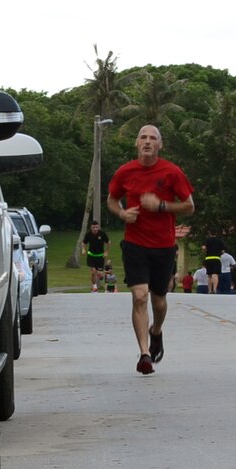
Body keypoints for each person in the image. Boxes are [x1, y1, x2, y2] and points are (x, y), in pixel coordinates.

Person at [107, 125, 195, 375]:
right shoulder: (125, 172)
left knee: (159, 299)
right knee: (139, 296)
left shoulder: (171, 172)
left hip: (163, 245)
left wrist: (161, 206)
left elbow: (189, 206)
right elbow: (112, 199)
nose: (147, 142)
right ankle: (144, 354)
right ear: (136, 143)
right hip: (134, 243)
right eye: (143, 137)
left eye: (152, 138)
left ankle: (156, 331)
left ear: (160, 145)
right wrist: (122, 212)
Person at [82, 220, 111, 292]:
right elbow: (84, 242)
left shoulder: (102, 234)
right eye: (93, 227)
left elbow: (108, 242)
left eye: (96, 227)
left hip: (100, 256)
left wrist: (106, 251)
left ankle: (101, 276)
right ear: (91, 228)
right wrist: (83, 249)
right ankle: (94, 287)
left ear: (98, 227)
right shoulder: (88, 234)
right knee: (93, 272)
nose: (95, 229)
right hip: (91, 255)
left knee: (100, 274)